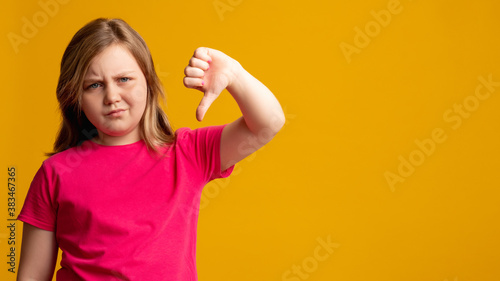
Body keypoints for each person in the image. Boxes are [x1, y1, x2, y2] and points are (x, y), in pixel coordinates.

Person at [16, 18, 285, 280]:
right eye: (94, 85)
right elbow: (32, 275)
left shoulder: (187, 153)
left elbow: (267, 123)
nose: (112, 97)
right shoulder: (55, 173)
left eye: (124, 79)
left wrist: (234, 74)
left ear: (148, 81)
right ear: (76, 96)